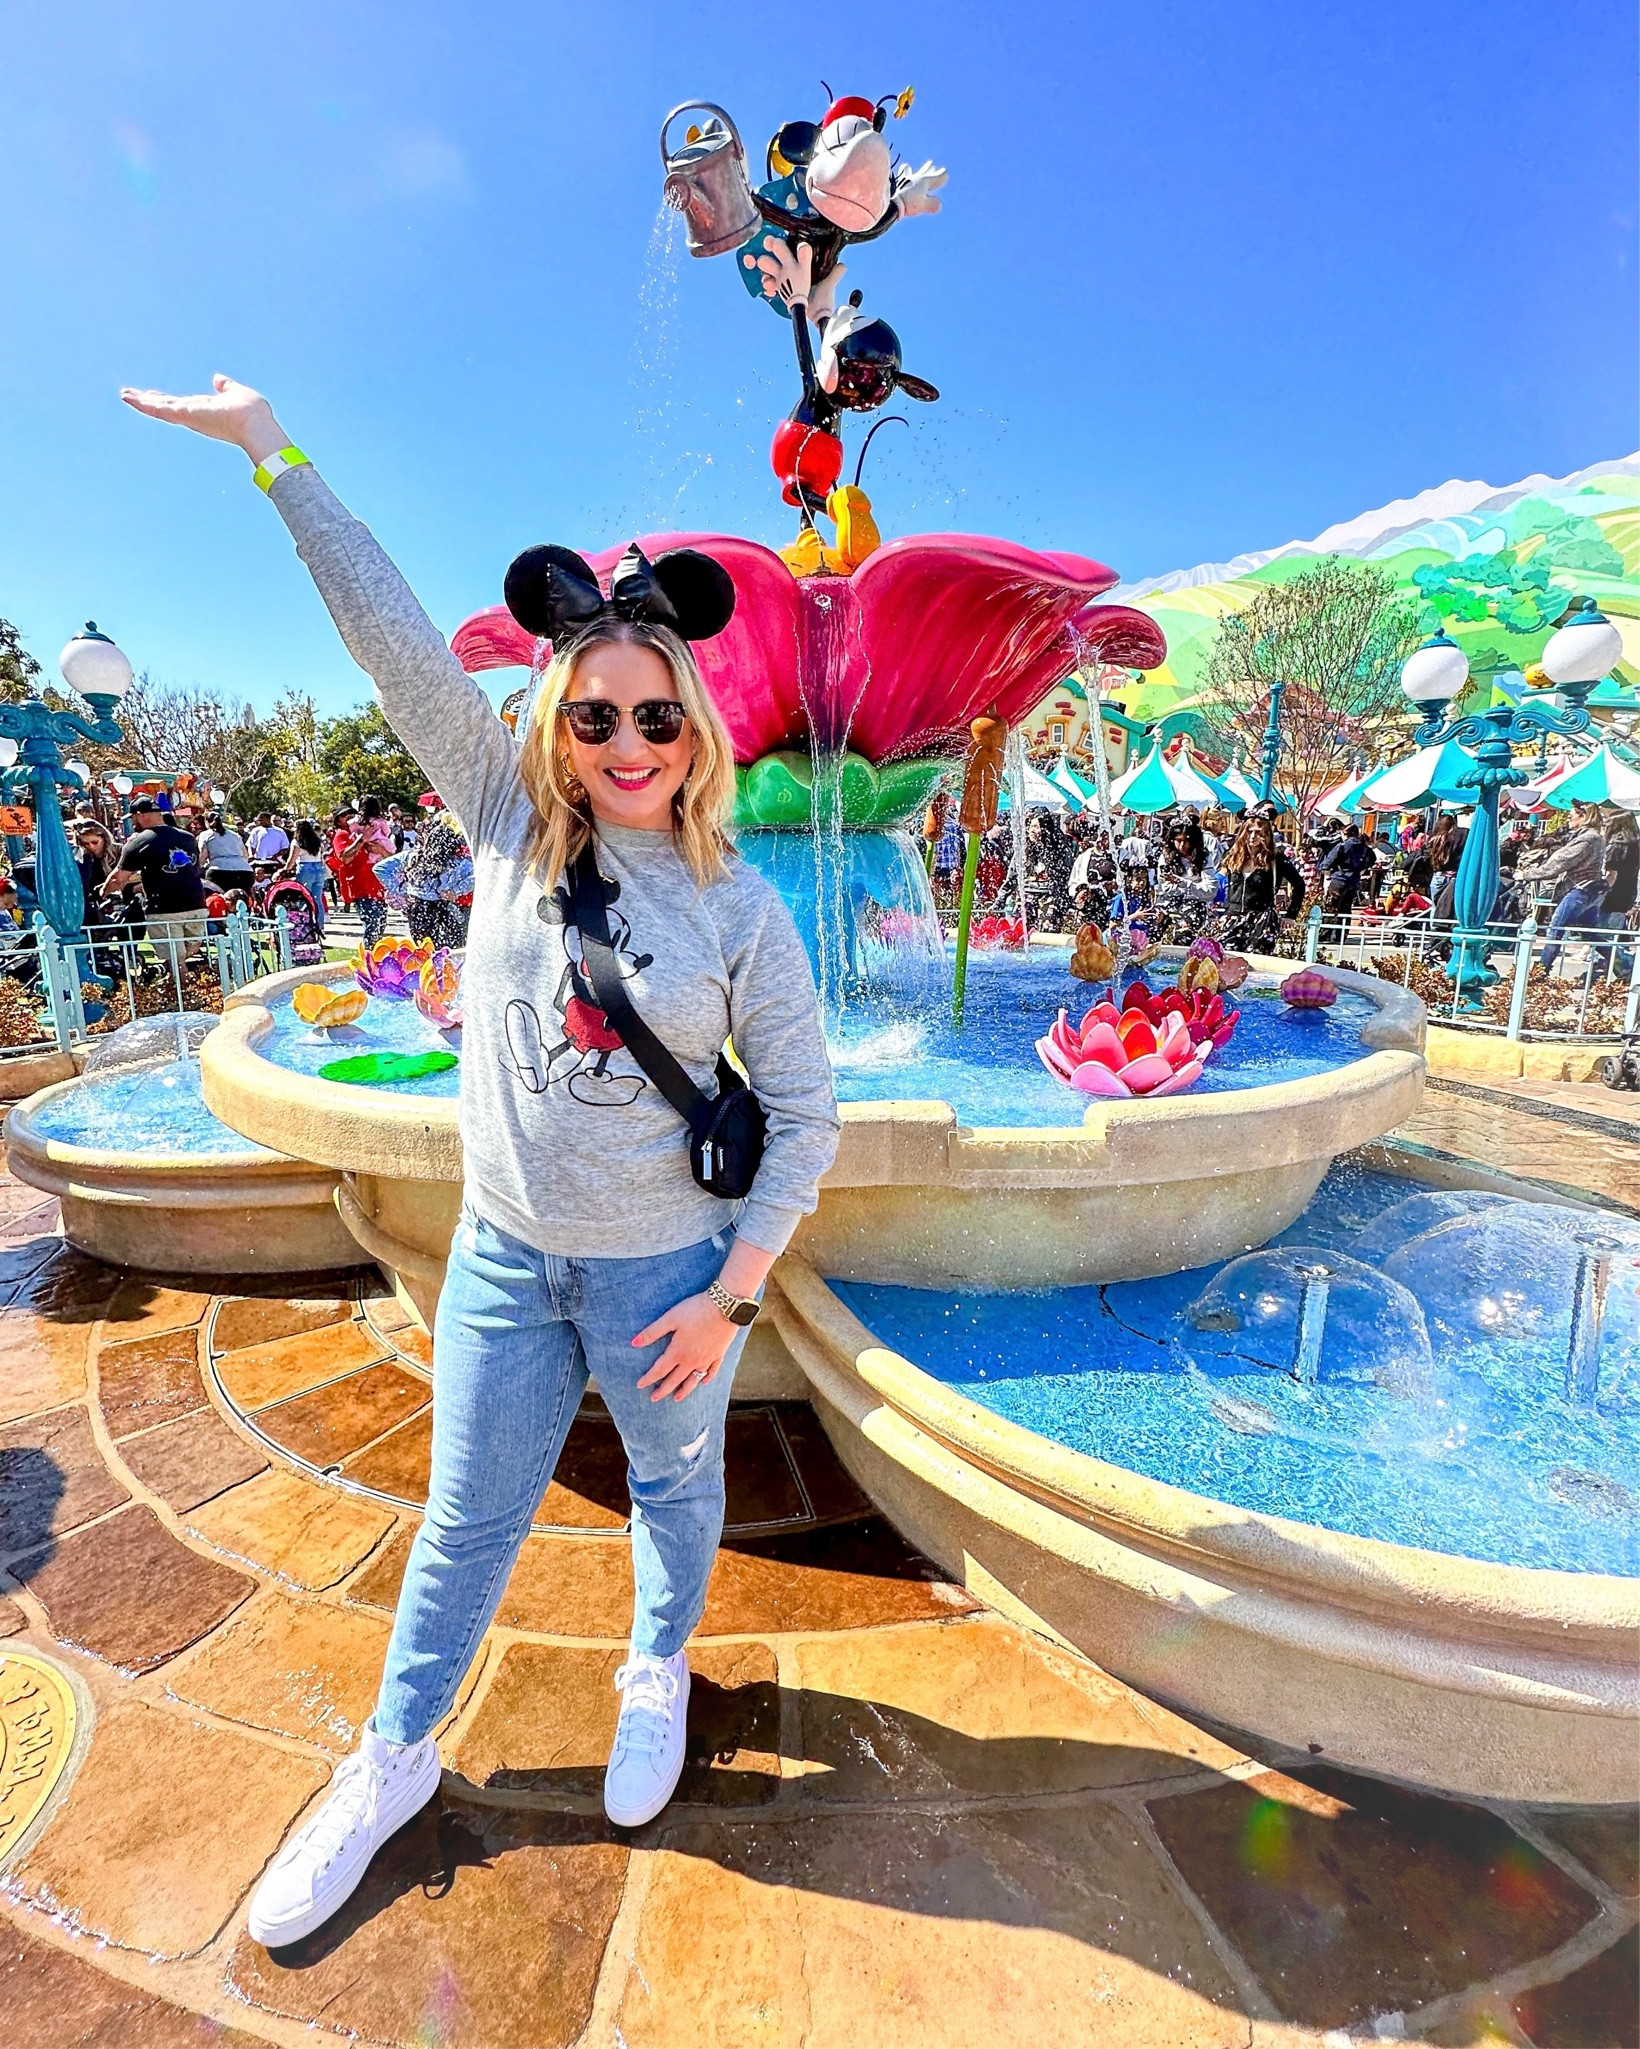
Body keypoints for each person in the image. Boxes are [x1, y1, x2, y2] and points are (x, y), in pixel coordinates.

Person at [122, 370, 841, 1945]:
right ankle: (390, 1758)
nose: (630, 740)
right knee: (466, 1516)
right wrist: (271, 454)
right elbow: (386, 636)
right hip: (509, 1258)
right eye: (598, 715)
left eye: (659, 714)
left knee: (674, 1486)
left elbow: (805, 1112)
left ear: (693, 727)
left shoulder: (739, 907)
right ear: (557, 726)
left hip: (669, 1273)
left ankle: (657, 1666)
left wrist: (732, 1293)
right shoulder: (513, 832)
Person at [101, 794, 208, 960]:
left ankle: (182, 983)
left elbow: (118, 879)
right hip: (196, 905)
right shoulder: (188, 838)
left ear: (141, 815)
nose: (133, 822)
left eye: (134, 818)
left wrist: (102, 893)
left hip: (164, 908)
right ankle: (191, 981)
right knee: (188, 955)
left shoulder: (140, 842)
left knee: (175, 959)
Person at [1531, 802, 1608, 975]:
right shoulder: (1594, 837)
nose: (1568, 818)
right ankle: (1624, 965)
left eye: (1571, 815)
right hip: (1591, 889)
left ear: (1583, 816)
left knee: (1556, 929)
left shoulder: (1587, 838)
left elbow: (1560, 863)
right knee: (1589, 934)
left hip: (1580, 889)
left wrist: (1527, 874)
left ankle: (1539, 973)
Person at [401, 810, 474, 949]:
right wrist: (456, 891)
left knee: (424, 950)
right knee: (452, 949)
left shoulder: (415, 858)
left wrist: (401, 889)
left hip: (418, 909)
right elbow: (476, 877)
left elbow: (380, 869)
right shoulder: (458, 863)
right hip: (446, 909)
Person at [331, 796, 393, 948]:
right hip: (361, 887)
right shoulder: (342, 835)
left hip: (379, 886)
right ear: (339, 820)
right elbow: (344, 857)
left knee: (380, 925)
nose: (350, 817)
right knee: (372, 924)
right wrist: (361, 840)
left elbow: (391, 858)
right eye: (345, 815)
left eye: (352, 813)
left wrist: (381, 850)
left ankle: (376, 959)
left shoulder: (373, 828)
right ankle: (369, 960)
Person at [1597, 807, 1637, 978]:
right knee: (1614, 929)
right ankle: (1615, 962)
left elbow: (1611, 873)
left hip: (1612, 891)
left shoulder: (1616, 845)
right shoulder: (1636, 843)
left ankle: (1622, 964)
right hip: (1629, 890)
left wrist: (1600, 890)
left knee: (1600, 932)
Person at [281, 819, 330, 934]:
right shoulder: (316, 840)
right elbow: (322, 856)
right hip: (318, 868)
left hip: (305, 868)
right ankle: (319, 925)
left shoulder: (297, 841)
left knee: (304, 897)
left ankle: (305, 923)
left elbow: (291, 860)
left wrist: (284, 870)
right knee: (317, 898)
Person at [1320, 823, 1379, 916]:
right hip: (1354, 880)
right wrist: (1361, 868)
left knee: (1331, 908)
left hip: (1339, 879)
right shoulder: (1364, 847)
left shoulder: (1342, 845)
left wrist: (1325, 868)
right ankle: (1344, 929)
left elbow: (1328, 862)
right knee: (1346, 908)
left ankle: (1330, 929)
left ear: (1345, 834)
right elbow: (1372, 860)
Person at [198, 811, 255, 895]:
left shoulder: (205, 835)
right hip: (244, 871)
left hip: (219, 872)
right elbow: (245, 855)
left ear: (206, 822)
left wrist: (198, 868)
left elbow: (203, 856)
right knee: (243, 897)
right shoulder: (235, 835)